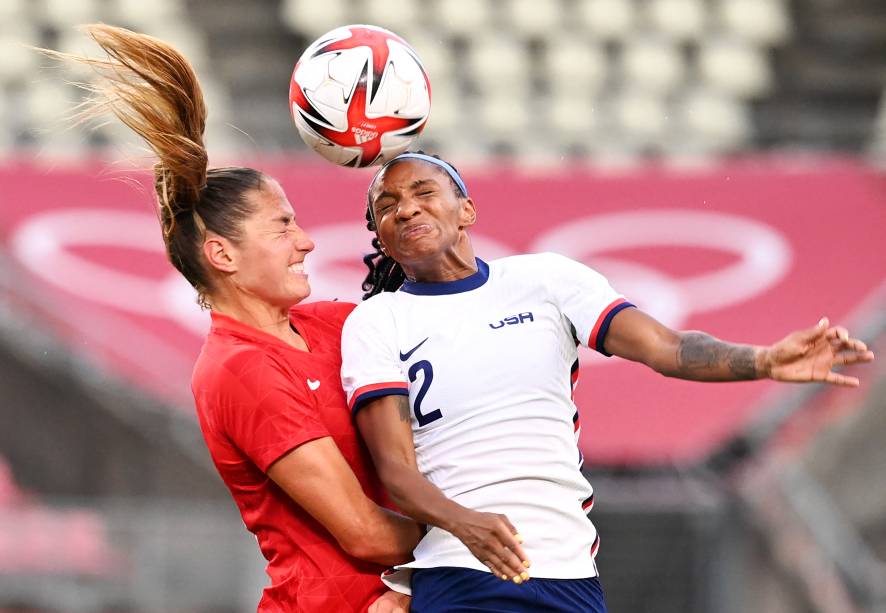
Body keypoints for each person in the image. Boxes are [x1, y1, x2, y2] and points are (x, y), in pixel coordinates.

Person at [340, 151, 876, 612]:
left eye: (423, 192)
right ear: (383, 241)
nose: (405, 208)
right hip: (460, 570)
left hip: (569, 571)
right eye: (385, 208)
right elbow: (395, 470)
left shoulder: (545, 280)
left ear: (467, 210)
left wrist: (763, 359)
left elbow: (665, 348)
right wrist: (466, 526)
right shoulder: (377, 320)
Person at [49, 25, 421, 613]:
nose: (307, 242)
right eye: (282, 226)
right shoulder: (239, 369)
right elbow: (364, 533)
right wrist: (482, 543)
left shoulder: (329, 324)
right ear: (222, 254)